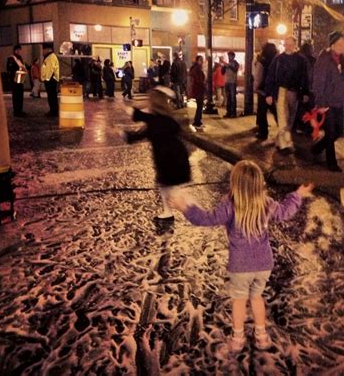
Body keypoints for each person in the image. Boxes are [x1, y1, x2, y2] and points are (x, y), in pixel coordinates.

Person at [169, 160, 314, 352]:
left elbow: (205, 218)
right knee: (256, 297)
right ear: (259, 183)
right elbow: (284, 212)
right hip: (263, 265)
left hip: (240, 267)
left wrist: (184, 207)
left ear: (234, 184)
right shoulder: (267, 204)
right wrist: (298, 195)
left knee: (239, 301)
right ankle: (261, 336)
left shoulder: (229, 206)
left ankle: (238, 339)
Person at [122, 86, 191, 227]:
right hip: (171, 158)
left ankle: (194, 213)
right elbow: (140, 132)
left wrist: (124, 132)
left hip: (170, 160)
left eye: (150, 100)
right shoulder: (164, 119)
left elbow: (136, 117)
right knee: (166, 187)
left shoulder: (156, 120)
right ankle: (168, 212)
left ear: (154, 102)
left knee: (172, 189)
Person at [265, 37, 310, 153]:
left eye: (290, 45)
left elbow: (305, 77)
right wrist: (269, 94)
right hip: (281, 90)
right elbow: (270, 76)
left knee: (290, 117)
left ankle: (281, 139)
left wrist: (305, 92)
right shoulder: (278, 59)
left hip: (294, 91)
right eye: (286, 45)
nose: (288, 47)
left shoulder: (300, 60)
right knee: (283, 117)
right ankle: (285, 143)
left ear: (295, 45)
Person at [311, 31, 344, 171]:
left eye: (343, 44)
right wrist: (320, 103)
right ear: (332, 44)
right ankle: (331, 163)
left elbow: (339, 79)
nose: (341, 46)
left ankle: (317, 148)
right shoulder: (324, 59)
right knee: (331, 132)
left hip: (339, 101)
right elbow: (318, 82)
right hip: (327, 102)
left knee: (339, 130)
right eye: (339, 43)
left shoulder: (341, 59)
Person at [253, 43, 278, 143]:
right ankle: (283, 132)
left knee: (262, 112)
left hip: (263, 90)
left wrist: (255, 87)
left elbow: (258, 77)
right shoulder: (277, 60)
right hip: (274, 90)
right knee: (276, 112)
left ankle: (263, 133)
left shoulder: (262, 61)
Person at [6, 44, 28, 117]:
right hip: (14, 80)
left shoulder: (19, 58)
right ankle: (16, 111)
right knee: (16, 96)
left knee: (20, 95)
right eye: (17, 50)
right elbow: (10, 69)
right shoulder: (11, 58)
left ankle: (20, 110)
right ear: (15, 50)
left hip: (20, 78)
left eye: (19, 50)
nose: (19, 51)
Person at [41, 42, 60, 117]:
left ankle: (53, 112)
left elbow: (50, 69)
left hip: (50, 80)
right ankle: (53, 111)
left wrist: (46, 79)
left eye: (43, 49)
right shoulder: (50, 56)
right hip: (51, 79)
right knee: (52, 96)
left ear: (48, 49)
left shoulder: (50, 57)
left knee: (52, 96)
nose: (43, 51)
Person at [188, 55, 205, 132]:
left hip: (197, 89)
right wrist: (204, 86)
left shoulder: (195, 68)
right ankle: (197, 122)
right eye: (201, 60)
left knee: (200, 106)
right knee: (200, 106)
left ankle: (198, 121)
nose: (202, 61)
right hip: (199, 89)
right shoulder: (197, 69)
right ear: (198, 60)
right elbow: (199, 80)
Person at [221, 51, 239, 118]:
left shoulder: (235, 63)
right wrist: (223, 66)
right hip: (227, 82)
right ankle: (228, 112)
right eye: (228, 56)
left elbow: (235, 70)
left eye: (230, 56)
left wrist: (228, 65)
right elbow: (222, 73)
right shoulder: (227, 63)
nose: (229, 57)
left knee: (232, 98)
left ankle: (233, 113)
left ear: (233, 56)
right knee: (228, 98)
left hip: (232, 82)